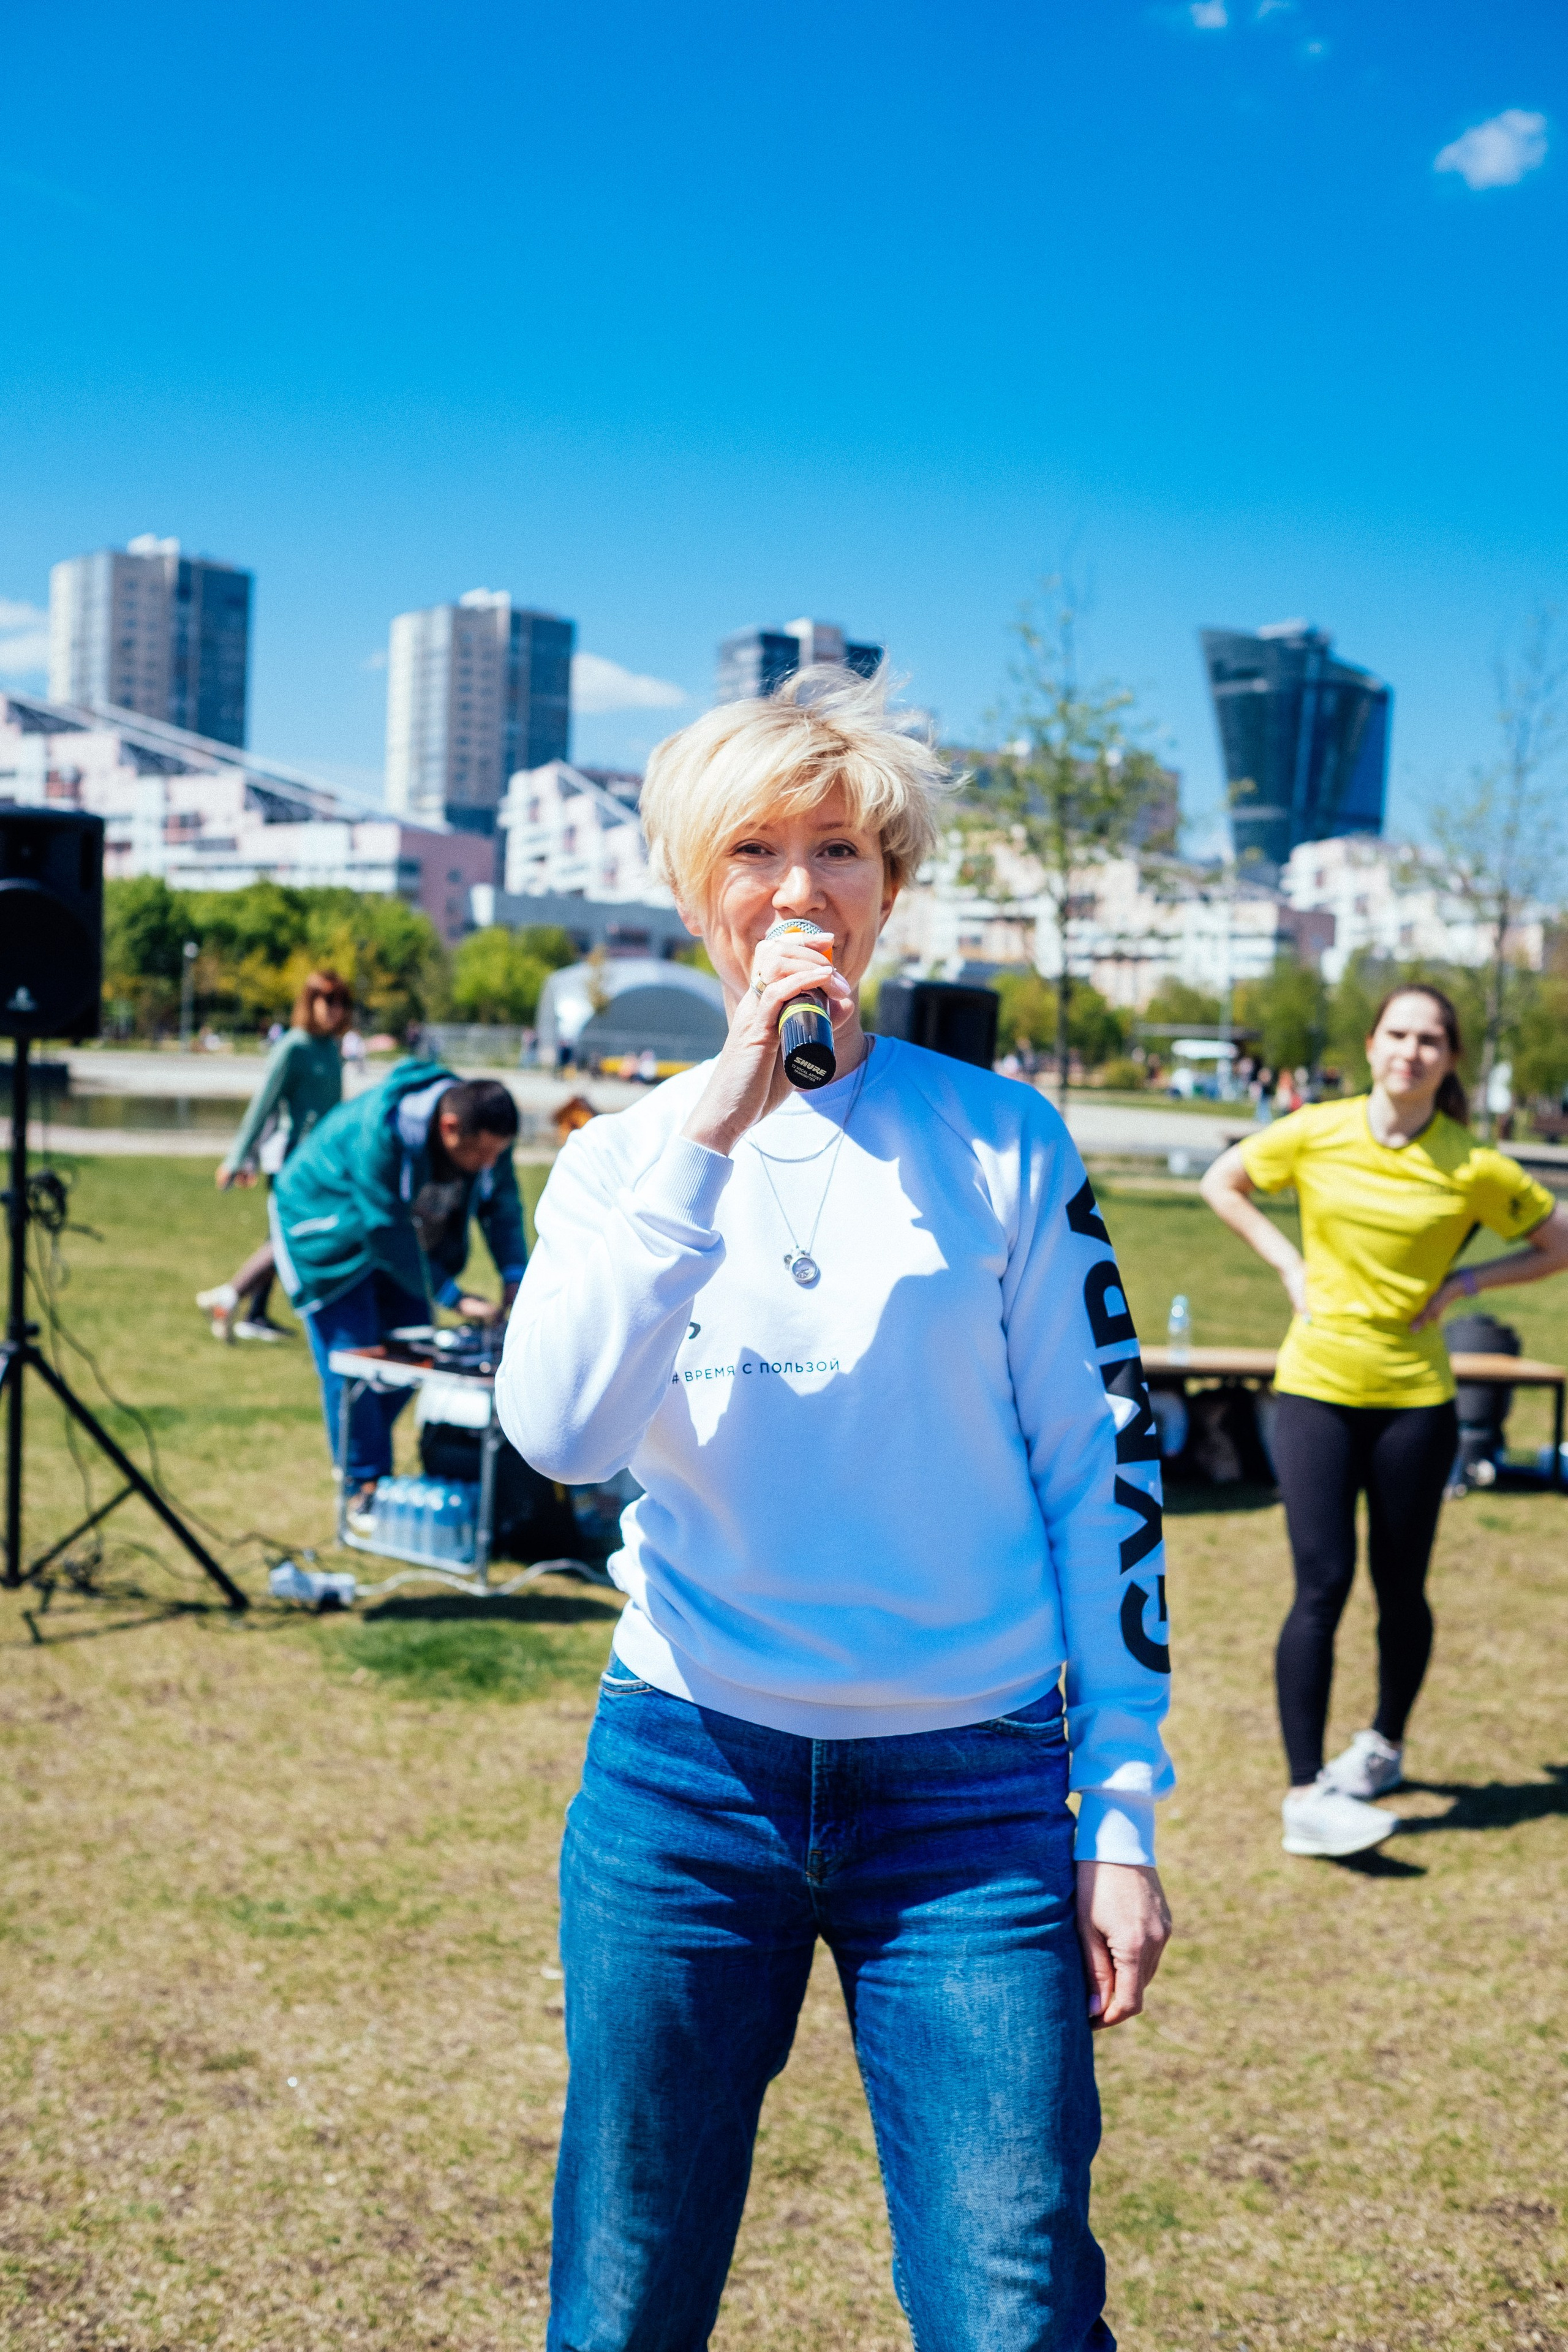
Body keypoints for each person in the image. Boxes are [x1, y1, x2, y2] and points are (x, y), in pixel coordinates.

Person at [497, 665, 1174, 2352]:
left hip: (969, 1798)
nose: (797, 888)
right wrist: (711, 1132)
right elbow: (563, 1435)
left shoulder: (1002, 1141)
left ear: (889, 887)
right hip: (685, 1779)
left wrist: (1121, 1812)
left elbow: (1101, 1479)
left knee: (1012, 2303)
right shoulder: (618, 1161)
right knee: (624, 2293)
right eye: (752, 850)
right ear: (692, 890)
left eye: (840, 850)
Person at [1200, 986, 1568, 1861]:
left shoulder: (1473, 1164)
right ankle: (1304, 1793)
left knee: (1401, 1589)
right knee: (1321, 1585)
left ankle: (1383, 1746)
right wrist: (1288, 1266)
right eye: (1398, 1033)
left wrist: (1466, 1284)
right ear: (1371, 1044)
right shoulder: (1315, 1130)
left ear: (1450, 1059)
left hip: (1415, 1403)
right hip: (1315, 1390)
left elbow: (1559, 1243)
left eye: (1430, 1039)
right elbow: (1225, 1182)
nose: (1411, 1050)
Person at [270, 1061, 526, 1530]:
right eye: (480, 1153)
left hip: (395, 1241)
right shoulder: (379, 1131)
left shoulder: (483, 1126)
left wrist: (515, 1274)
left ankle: (363, 1454)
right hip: (323, 1229)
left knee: (414, 1356)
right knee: (353, 1359)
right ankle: (363, 1486)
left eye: (497, 1154)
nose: (489, 1163)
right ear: (449, 1128)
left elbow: (502, 1203)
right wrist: (454, 1295)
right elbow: (385, 1227)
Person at [195, 971, 353, 1341]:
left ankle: (247, 1309)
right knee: (289, 1240)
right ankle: (233, 1300)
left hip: (325, 1162)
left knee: (285, 1239)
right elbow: (263, 1106)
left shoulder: (332, 1047)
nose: (336, 1009)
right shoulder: (294, 1046)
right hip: (294, 1161)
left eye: (343, 1002)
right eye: (328, 1000)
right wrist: (239, 1158)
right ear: (309, 1002)